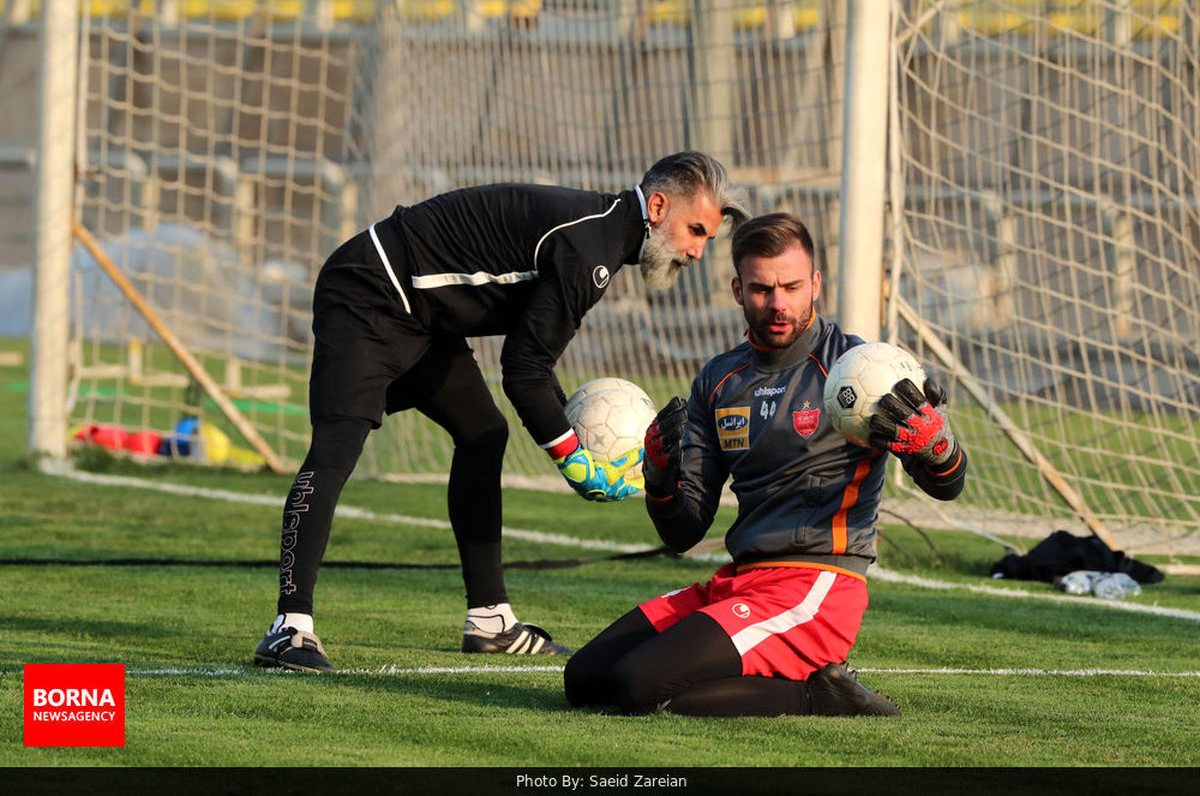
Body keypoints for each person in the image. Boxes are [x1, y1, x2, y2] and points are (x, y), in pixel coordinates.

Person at [253, 152, 749, 672]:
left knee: (483, 433)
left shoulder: (602, 239)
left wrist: (569, 431)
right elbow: (524, 370)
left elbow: (531, 360)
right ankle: (289, 628)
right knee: (337, 445)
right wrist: (577, 464)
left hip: (423, 317)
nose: (696, 252)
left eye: (706, 240)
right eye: (696, 231)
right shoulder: (592, 250)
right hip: (369, 290)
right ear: (658, 205)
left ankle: (490, 622)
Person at [563, 212, 968, 716]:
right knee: (582, 679)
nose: (778, 303)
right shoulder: (719, 380)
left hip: (816, 585)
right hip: (740, 580)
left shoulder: (861, 371)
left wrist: (938, 449)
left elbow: (946, 484)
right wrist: (661, 481)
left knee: (635, 685)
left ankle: (819, 693)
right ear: (737, 289)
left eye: (791, 286)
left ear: (815, 284)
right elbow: (683, 532)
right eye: (761, 289)